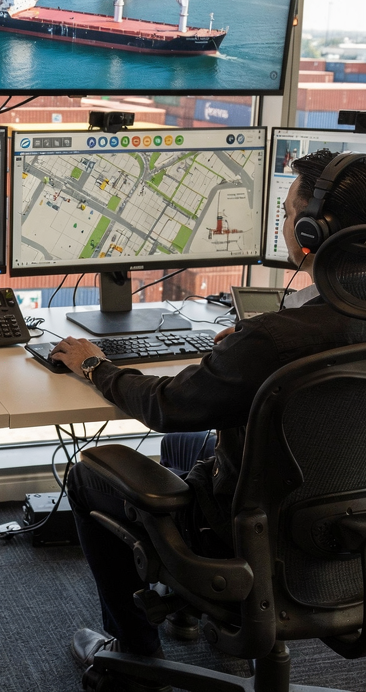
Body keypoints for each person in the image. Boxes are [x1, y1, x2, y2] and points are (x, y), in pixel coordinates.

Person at [50, 148, 366, 691]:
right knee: (190, 449)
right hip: (348, 540)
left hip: (248, 543)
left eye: (289, 214)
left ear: (317, 231)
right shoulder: (278, 337)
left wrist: (96, 365)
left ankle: (135, 660)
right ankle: (186, 612)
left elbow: (166, 406)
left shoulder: (272, 339)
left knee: (89, 473)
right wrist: (242, 353)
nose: (287, 224)